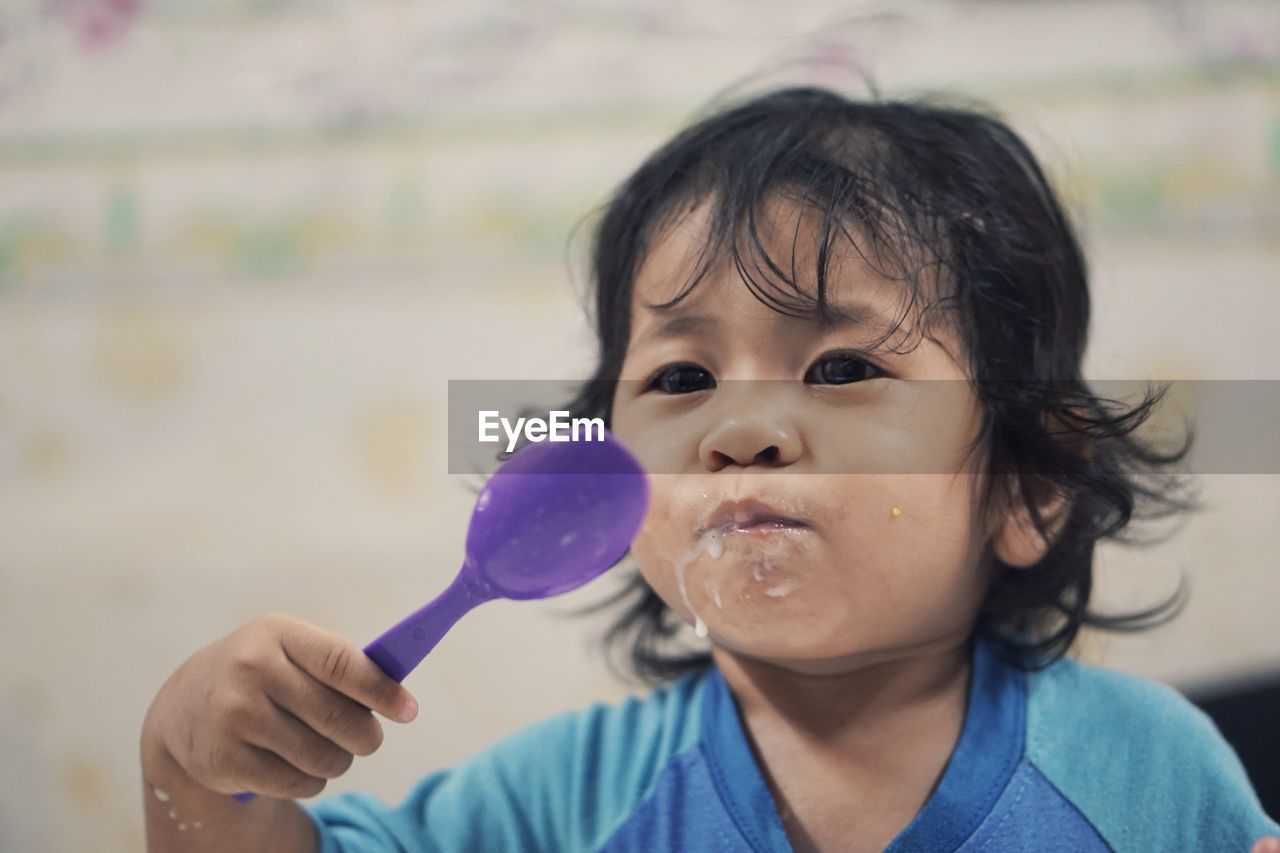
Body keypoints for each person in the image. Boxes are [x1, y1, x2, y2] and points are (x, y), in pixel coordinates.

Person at [140, 87, 1280, 852]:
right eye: (681, 382)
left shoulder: (1142, 772)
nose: (738, 430)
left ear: (1026, 486)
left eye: (839, 367)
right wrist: (193, 762)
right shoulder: (566, 797)